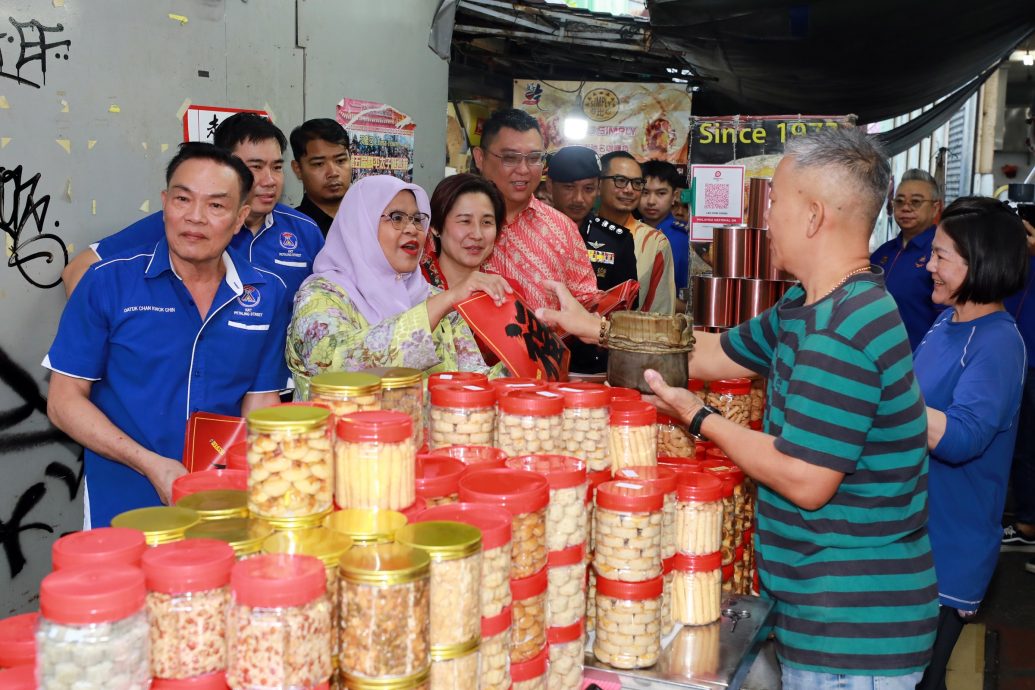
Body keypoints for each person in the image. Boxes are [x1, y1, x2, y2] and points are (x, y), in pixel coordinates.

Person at [537, 127, 938, 689]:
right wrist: (595, 327)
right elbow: (710, 351)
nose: (767, 216)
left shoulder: (842, 328)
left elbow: (804, 477)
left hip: (849, 632)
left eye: (775, 201)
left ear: (814, 216)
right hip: (817, 609)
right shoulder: (808, 305)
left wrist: (698, 418)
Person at [44, 143, 290, 528]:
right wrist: (150, 464)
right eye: (182, 199)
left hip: (222, 498)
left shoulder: (265, 294)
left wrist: (267, 477)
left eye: (216, 206)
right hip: (125, 497)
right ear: (164, 202)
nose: (194, 217)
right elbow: (62, 401)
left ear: (241, 216)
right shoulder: (108, 282)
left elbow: (260, 401)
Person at [912, 197, 1028, 690]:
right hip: (913, 538)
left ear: (978, 263)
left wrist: (879, 398)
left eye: (941, 256)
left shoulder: (998, 343)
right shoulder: (947, 323)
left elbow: (960, 438)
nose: (928, 265)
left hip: (947, 549)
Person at [286, 175, 510, 398]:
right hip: (338, 432)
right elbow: (336, 366)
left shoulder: (434, 299)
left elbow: (476, 384)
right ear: (361, 225)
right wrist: (442, 303)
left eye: (417, 219)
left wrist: (531, 358)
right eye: (397, 217)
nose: (412, 229)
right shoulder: (321, 295)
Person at [61, 113, 325, 302]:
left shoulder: (304, 230)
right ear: (227, 167)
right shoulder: (184, 224)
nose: (270, 180)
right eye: (255, 167)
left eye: (277, 167)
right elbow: (78, 270)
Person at [472, 109, 599, 312]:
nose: (523, 169)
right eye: (510, 158)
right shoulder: (453, 224)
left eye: (534, 158)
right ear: (480, 158)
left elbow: (587, 303)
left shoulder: (562, 228)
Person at [545, 146, 638, 293]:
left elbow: (626, 306)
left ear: (599, 188)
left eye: (588, 189)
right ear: (550, 186)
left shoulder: (616, 240)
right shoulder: (529, 232)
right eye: (569, 187)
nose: (578, 199)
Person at [870, 168, 944, 349]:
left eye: (916, 202)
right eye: (900, 201)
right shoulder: (883, 253)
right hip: (878, 356)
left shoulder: (941, 254)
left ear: (935, 208)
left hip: (920, 359)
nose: (906, 207)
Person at [598, 151, 676, 313]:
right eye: (620, 181)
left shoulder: (654, 242)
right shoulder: (578, 231)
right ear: (598, 183)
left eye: (637, 183)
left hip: (629, 337)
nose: (629, 190)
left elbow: (660, 312)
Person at [641, 160, 693, 309]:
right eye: (645, 192)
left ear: (674, 196)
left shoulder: (682, 238)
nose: (651, 201)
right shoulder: (629, 232)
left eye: (661, 193)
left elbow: (687, 303)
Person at [290, 118, 352, 236]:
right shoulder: (288, 230)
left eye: (340, 160)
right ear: (297, 169)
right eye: (319, 164)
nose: (333, 173)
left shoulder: (369, 221)